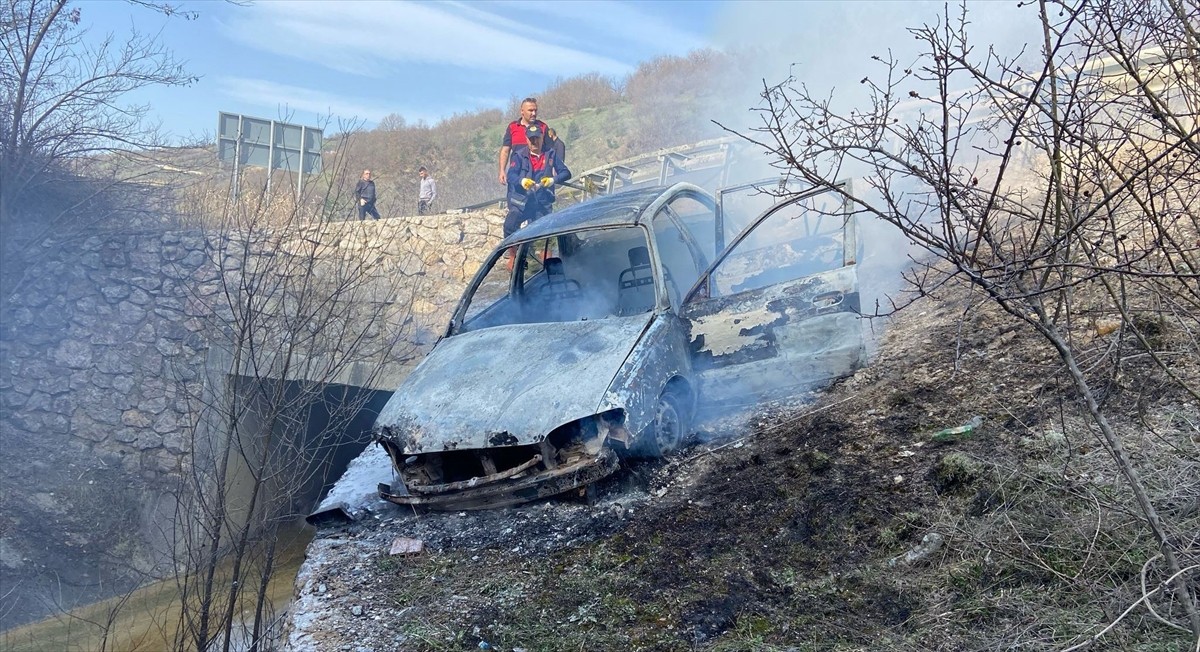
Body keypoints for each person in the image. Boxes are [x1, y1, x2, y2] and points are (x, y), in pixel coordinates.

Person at [504, 123, 571, 239]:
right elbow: (511, 175)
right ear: (526, 139)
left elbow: (566, 173)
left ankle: (543, 256)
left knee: (543, 236)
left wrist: (552, 180)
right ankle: (512, 255)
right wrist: (522, 181)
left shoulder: (550, 154)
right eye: (531, 139)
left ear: (542, 137)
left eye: (537, 138)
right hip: (523, 202)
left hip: (542, 202)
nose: (534, 141)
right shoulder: (519, 156)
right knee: (510, 225)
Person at [497, 97, 550, 185]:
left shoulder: (543, 127)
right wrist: (502, 170)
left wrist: (553, 171)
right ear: (522, 111)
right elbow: (505, 151)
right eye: (530, 110)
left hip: (539, 175)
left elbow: (551, 151)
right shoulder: (512, 127)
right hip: (517, 174)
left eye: (535, 110)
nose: (534, 113)